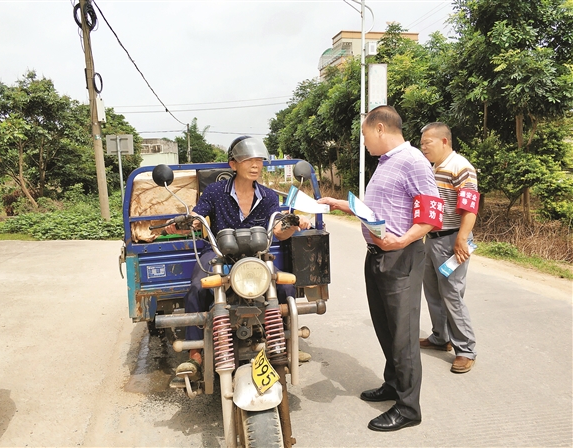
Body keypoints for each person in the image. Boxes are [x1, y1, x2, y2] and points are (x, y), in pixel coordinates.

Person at [318, 105, 442, 432]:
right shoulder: (385, 164)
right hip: (377, 254)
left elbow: (432, 214)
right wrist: (340, 203)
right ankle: (393, 384)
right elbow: (374, 209)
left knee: (402, 333)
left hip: (400, 257)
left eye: (364, 136)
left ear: (380, 129)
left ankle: (408, 407)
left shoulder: (413, 161)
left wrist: (401, 242)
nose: (364, 143)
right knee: (385, 326)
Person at [164, 136, 310, 381]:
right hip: (220, 254)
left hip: (256, 256)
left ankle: (287, 341)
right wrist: (179, 224)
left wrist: (295, 225)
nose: (255, 165)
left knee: (286, 288)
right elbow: (197, 218)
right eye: (248, 160)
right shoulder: (215, 192)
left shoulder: (268, 196)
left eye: (259, 160)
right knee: (197, 288)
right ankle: (196, 354)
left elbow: (277, 231)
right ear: (233, 164)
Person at [419, 122, 478, 373]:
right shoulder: (435, 167)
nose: (423, 148)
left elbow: (470, 207)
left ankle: (465, 349)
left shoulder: (460, 167)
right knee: (433, 291)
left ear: (444, 141)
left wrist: (461, 239)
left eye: (426, 143)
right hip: (431, 240)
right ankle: (440, 337)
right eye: (421, 144)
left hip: (451, 241)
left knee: (451, 294)